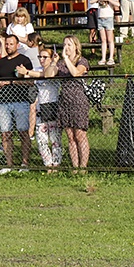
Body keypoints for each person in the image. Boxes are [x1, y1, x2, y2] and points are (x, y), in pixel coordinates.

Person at [0, 35, 34, 174]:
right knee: (6, 134)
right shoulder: (1, 62)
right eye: (7, 44)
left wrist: (11, 82)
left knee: (23, 132)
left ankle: (25, 163)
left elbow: (30, 81)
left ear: (17, 45)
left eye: (11, 44)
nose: (9, 46)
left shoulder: (24, 61)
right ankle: (9, 164)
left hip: (20, 101)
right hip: (3, 102)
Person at [17, 47, 62, 170]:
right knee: (41, 139)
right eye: (40, 57)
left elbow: (46, 75)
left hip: (52, 105)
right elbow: (25, 76)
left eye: (44, 57)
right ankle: (48, 164)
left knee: (54, 138)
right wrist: (21, 72)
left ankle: (56, 163)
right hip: (40, 107)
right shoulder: (36, 69)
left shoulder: (54, 68)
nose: (41, 59)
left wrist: (28, 72)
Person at [52, 35, 91, 170]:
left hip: (79, 100)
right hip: (65, 100)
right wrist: (54, 62)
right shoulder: (62, 63)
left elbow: (75, 73)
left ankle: (83, 166)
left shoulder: (82, 61)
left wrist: (66, 59)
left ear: (76, 46)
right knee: (70, 136)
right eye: (65, 45)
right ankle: (75, 167)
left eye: (69, 45)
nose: (66, 47)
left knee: (80, 135)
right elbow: (50, 74)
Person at [96, 0, 119, 66]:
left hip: (108, 19)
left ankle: (111, 57)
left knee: (110, 39)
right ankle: (103, 58)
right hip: (100, 20)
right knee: (103, 40)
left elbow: (117, 4)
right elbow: (91, 1)